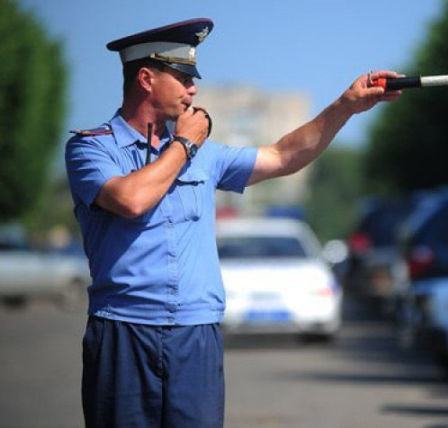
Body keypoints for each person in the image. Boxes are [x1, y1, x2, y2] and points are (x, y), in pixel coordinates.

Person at [65, 18, 401, 428]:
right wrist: (185, 144)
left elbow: (282, 156)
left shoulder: (205, 154)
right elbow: (130, 199)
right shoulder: (93, 147)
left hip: (196, 333)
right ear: (146, 78)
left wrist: (347, 105)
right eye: (182, 76)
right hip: (124, 330)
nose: (194, 89)